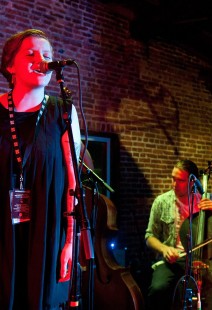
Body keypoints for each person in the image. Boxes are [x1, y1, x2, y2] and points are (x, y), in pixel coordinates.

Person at [0, 29, 81, 309]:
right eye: (31, 54)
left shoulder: (63, 111)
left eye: (47, 56)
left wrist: (70, 241)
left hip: (47, 231)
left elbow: (73, 181)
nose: (42, 60)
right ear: (9, 65)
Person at [145, 159, 212, 310]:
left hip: (203, 259)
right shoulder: (161, 202)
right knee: (158, 289)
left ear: (192, 182)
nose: (173, 184)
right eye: (172, 178)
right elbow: (149, 237)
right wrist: (164, 249)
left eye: (179, 180)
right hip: (173, 260)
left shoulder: (209, 199)